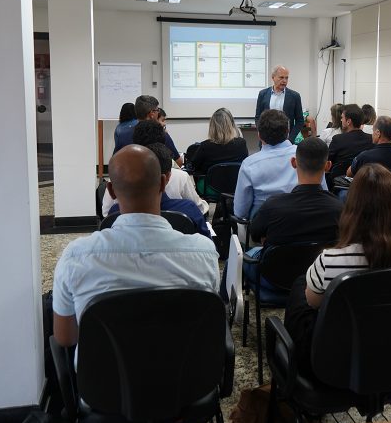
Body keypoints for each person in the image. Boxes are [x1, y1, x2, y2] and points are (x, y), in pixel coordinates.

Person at [52, 145, 219, 348]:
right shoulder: (204, 253)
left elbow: (66, 338)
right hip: (185, 367)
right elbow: (209, 324)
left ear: (111, 191)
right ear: (163, 183)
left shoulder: (76, 257)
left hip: (103, 368)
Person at [282, 164, 391, 375]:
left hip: (335, 365)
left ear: (351, 206)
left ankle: (291, 369)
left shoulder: (330, 261)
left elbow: (313, 302)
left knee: (301, 286)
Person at [242, 138, 343, 303]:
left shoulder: (273, 205)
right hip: (321, 281)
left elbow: (254, 234)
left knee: (240, 257)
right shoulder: (340, 208)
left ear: (294, 163)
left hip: (273, 279)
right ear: (328, 166)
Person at [234, 109, 328, 219]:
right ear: (288, 131)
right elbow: (322, 195)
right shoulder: (307, 154)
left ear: (259, 135)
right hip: (307, 222)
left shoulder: (249, 165)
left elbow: (240, 212)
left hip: (266, 227)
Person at [103, 119, 208, 215]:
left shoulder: (118, 177)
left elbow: (107, 214)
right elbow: (199, 209)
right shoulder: (181, 177)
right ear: (163, 181)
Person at [188, 108, 249, 180]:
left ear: (212, 127)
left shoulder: (205, 146)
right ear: (231, 125)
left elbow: (193, 167)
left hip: (210, 186)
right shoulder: (241, 144)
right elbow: (245, 164)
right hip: (235, 185)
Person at [255, 65, 304, 143]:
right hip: (266, 141)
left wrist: (291, 138)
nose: (284, 81)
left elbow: (300, 120)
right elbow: (258, 117)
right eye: (281, 77)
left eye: (286, 78)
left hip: (286, 141)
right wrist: (262, 135)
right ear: (273, 77)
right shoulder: (263, 94)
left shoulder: (295, 96)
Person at [327, 103, 373, 176]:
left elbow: (328, 161)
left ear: (348, 122)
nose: (341, 120)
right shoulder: (371, 139)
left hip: (339, 180)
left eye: (342, 117)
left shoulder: (338, 139)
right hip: (363, 178)